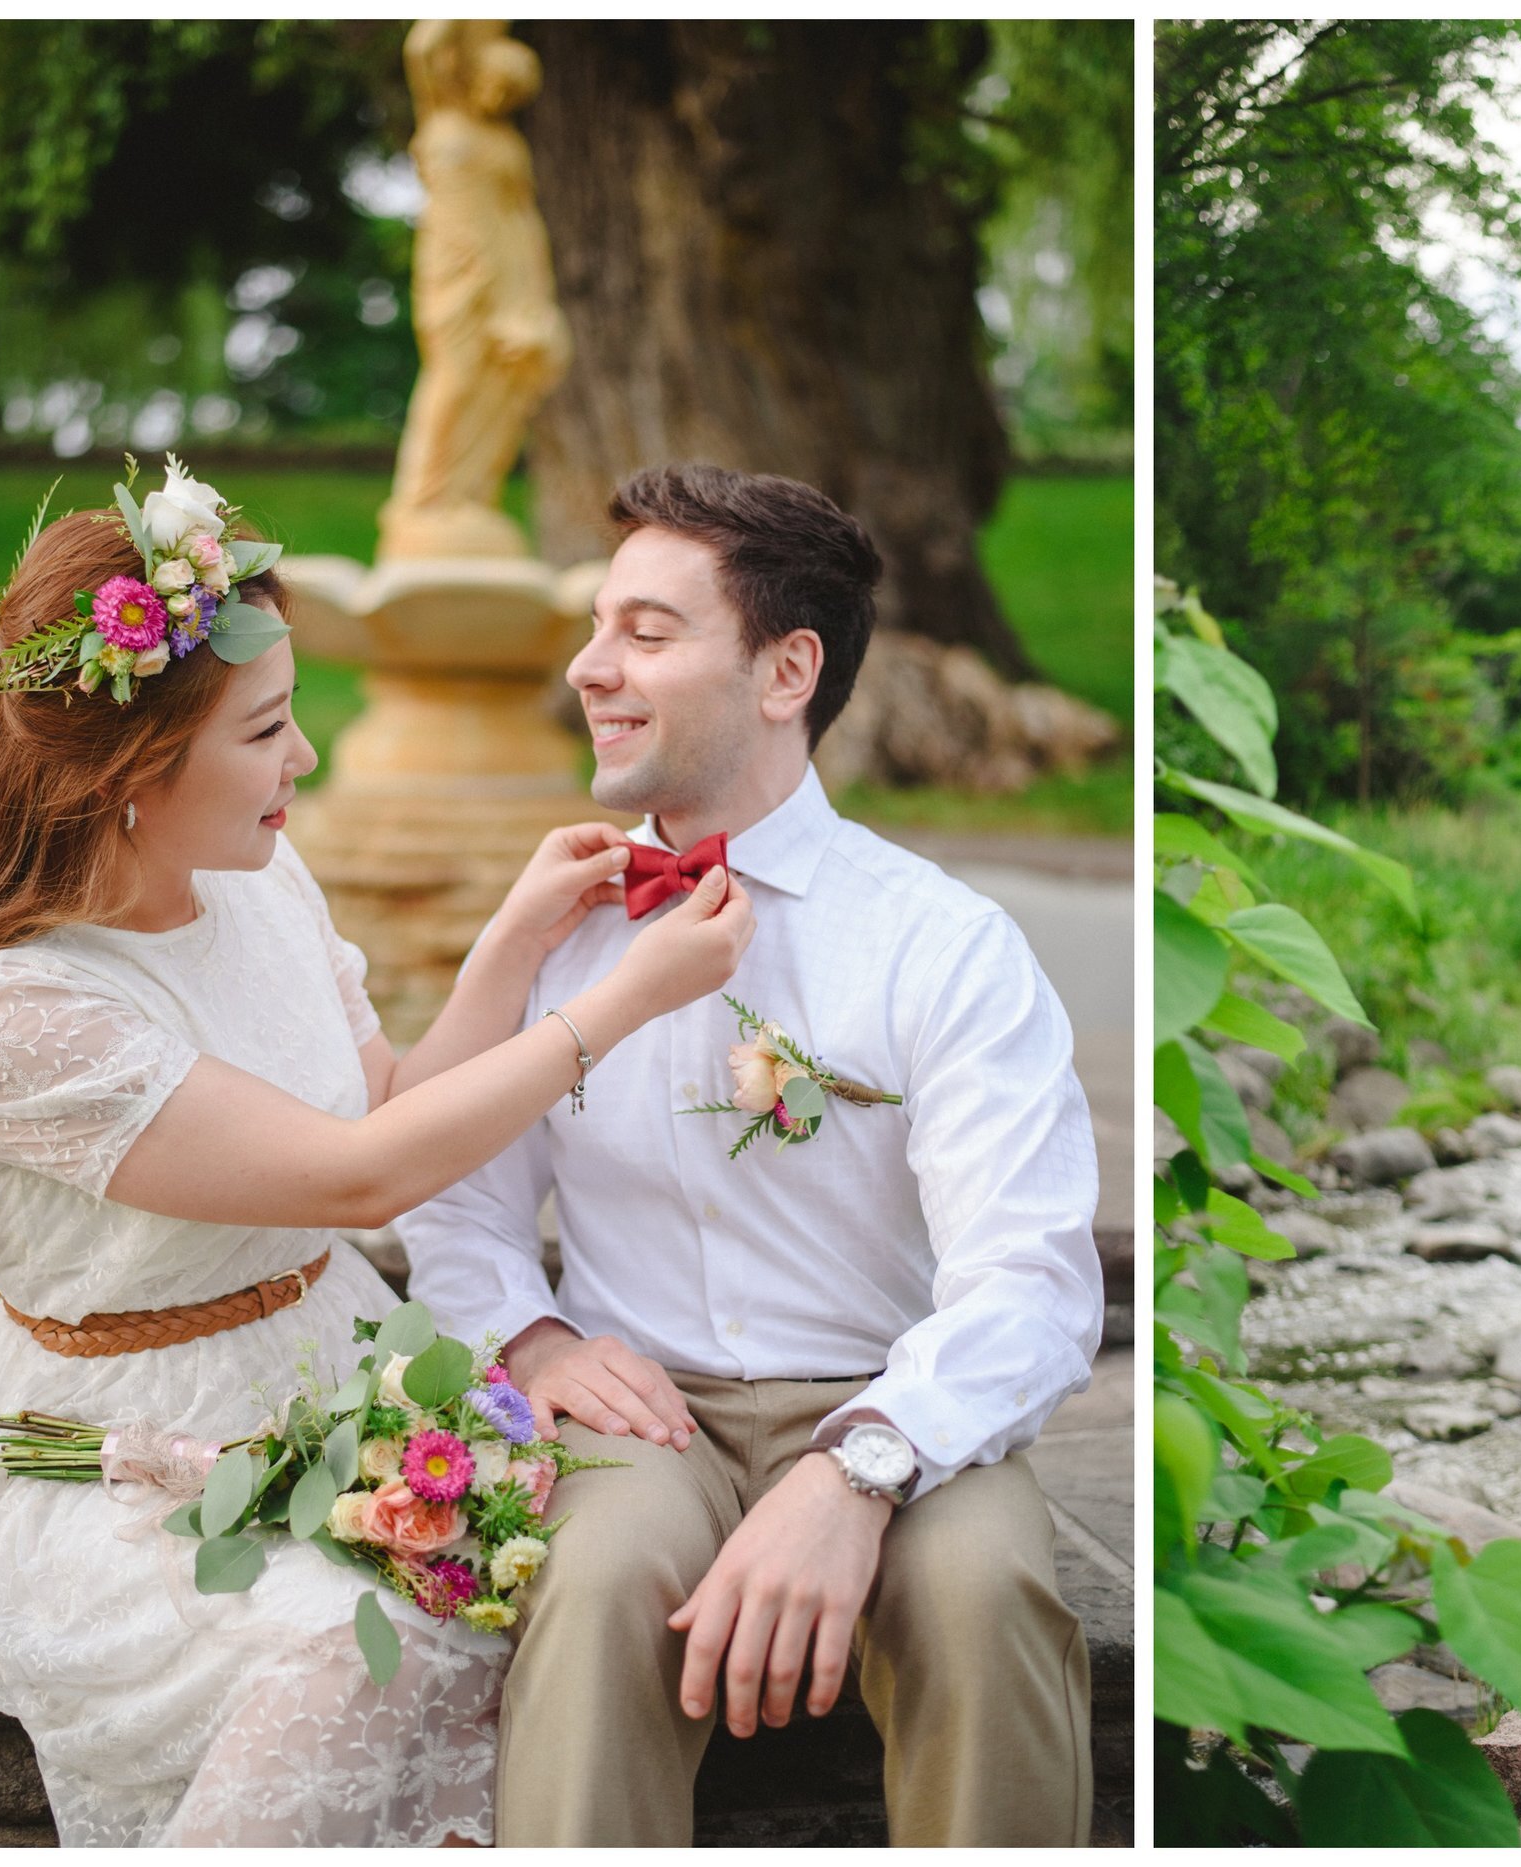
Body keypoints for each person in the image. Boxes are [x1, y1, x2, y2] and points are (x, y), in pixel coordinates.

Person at [0, 464, 756, 1847]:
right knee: (360, 1643)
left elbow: (389, 1104)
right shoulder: (22, 1009)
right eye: (265, 730)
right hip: (119, 1447)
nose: (304, 757)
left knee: (537, 1601)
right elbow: (358, 1179)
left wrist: (521, 937)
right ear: (132, 773)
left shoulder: (261, 873)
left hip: (325, 1366)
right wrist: (621, 1001)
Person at [398, 464, 1102, 1848]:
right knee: (593, 1589)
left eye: (647, 634)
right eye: (600, 626)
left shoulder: (942, 943)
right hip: (638, 1409)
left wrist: (855, 1473)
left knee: (987, 1598)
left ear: (788, 669)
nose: (591, 668)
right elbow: (453, 1198)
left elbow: (1031, 1278)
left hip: (902, 1403)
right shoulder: (557, 925)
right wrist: (533, 1342)